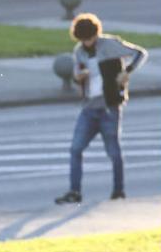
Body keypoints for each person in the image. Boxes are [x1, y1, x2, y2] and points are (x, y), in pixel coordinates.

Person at [55, 13, 149, 205]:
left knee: (113, 152)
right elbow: (76, 74)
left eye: (90, 39)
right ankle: (74, 191)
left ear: (96, 34)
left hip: (109, 107)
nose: (87, 43)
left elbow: (140, 53)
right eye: (83, 40)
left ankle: (118, 190)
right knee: (75, 149)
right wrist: (78, 77)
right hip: (89, 108)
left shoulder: (110, 45)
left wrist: (127, 72)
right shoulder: (79, 51)